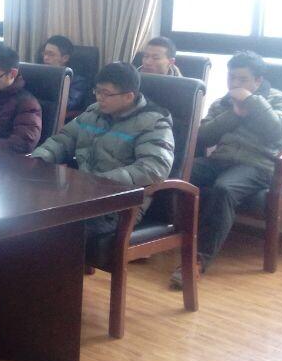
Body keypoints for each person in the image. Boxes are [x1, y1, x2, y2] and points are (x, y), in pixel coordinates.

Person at [170, 51, 282, 288]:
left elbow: (276, 131)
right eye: (231, 77)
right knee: (176, 172)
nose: (235, 84)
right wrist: (233, 114)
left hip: (257, 166)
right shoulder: (223, 102)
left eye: (242, 79)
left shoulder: (279, 100)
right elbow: (203, 136)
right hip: (220, 161)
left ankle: (197, 261)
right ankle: (153, 237)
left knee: (224, 188)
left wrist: (252, 102)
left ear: (258, 80)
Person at [31, 62, 174, 236]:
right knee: (31, 209)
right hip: (83, 194)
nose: (99, 98)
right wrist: (38, 158)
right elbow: (63, 140)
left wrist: (101, 182)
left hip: (121, 205)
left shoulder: (154, 123)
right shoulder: (93, 113)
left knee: (53, 229)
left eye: (106, 94)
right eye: (97, 91)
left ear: (129, 96)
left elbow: (154, 168)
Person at [42, 34, 90, 111]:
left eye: (51, 54)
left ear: (65, 58)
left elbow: (68, 105)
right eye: (45, 53)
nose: (45, 58)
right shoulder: (40, 74)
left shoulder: (77, 81)